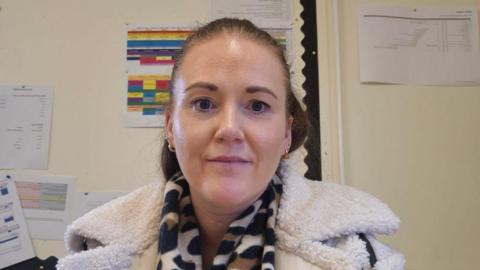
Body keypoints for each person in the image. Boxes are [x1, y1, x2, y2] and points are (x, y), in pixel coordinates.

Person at [57, 18, 404, 270]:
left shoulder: (359, 258)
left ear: (286, 134)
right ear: (170, 127)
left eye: (257, 106)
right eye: (203, 103)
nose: (229, 129)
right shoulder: (97, 252)